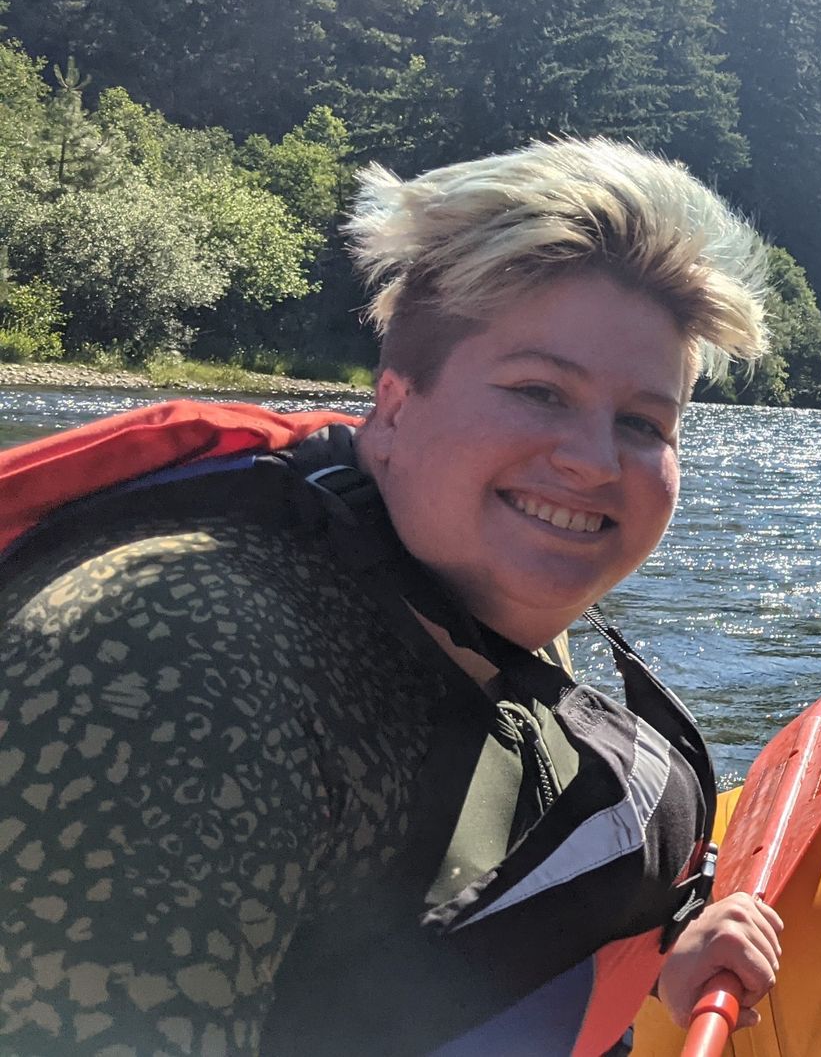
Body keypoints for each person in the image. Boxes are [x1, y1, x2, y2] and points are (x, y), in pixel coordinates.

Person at [0, 138, 781, 1055]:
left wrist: (649, 966)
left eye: (644, 422)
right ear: (397, 403)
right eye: (539, 390)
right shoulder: (163, 662)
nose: (594, 460)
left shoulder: (488, 601)